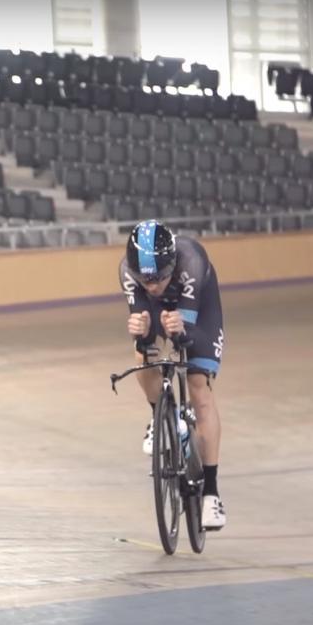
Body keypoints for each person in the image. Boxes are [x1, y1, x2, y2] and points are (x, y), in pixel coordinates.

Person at [119, 220, 226, 529]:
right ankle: (160, 416)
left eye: (160, 278)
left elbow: (184, 336)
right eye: (145, 280)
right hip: (159, 312)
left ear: (172, 264)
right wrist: (140, 332)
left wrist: (178, 333)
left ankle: (211, 493)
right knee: (143, 350)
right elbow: (143, 324)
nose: (152, 286)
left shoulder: (191, 258)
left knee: (198, 386)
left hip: (198, 314)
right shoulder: (127, 270)